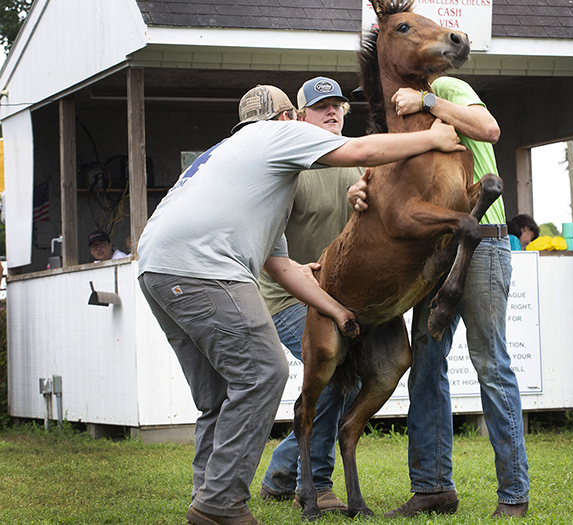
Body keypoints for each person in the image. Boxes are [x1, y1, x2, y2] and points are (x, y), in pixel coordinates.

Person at [137, 84, 466, 525]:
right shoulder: (277, 135)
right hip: (204, 268)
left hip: (157, 267)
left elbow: (280, 263)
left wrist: (336, 309)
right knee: (263, 373)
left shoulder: (238, 161)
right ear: (290, 118)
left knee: (218, 396)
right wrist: (433, 138)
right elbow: (362, 148)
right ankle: (220, 505)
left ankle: (207, 496)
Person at [357, 76, 530, 518]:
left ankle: (513, 494)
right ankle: (433, 488)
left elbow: (489, 129)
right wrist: (362, 192)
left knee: (491, 364)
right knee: (426, 364)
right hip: (434, 247)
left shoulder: (445, 87)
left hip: (485, 239)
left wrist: (429, 99)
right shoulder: (401, 117)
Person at [257, 77, 362, 513]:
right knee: (334, 372)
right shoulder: (288, 164)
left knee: (353, 383)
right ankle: (315, 486)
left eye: (337, 105)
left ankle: (282, 473)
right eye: (321, 107)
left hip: (336, 297)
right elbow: (263, 243)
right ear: (300, 116)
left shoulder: (360, 161)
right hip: (286, 295)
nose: (332, 112)